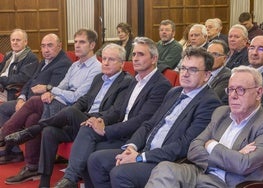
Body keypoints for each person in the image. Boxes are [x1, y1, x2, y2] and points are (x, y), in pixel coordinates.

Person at [8, 37, 172, 187]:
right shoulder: (119, 79)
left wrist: (100, 123)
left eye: (141, 54)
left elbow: (136, 118)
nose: (135, 58)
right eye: (134, 54)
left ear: (154, 59)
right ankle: (44, 183)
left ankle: (67, 174)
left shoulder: (132, 81)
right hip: (91, 120)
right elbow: (86, 101)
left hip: (122, 131)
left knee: (74, 118)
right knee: (50, 130)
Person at [87, 47, 222, 188]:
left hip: (167, 162)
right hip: (144, 150)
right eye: (183, 68)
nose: (185, 74)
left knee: (120, 173)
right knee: (96, 160)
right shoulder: (174, 92)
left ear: (206, 75)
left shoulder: (209, 102)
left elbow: (184, 145)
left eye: (193, 70)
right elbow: (149, 124)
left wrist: (140, 158)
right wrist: (131, 147)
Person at [0, 28, 102, 184]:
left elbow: (77, 97)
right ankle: (31, 166)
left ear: (92, 45)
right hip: (58, 103)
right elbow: (62, 85)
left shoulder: (96, 68)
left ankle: (4, 135)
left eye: (82, 42)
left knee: (34, 101)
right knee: (33, 117)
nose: (77, 45)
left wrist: (50, 90)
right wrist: (52, 93)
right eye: (75, 42)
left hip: (73, 111)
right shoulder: (75, 66)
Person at [146, 66, 263, 188]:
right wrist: (234, 156)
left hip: (226, 183)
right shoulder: (221, 112)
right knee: (165, 168)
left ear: (258, 93)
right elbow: (193, 149)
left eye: (241, 90)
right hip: (200, 172)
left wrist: (211, 145)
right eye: (230, 89)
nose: (233, 96)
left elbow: (244, 165)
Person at [0, 33, 71, 162]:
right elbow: (30, 82)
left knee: (31, 117)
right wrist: (22, 98)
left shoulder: (63, 63)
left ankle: (4, 135)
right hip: (28, 100)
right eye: (43, 46)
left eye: (50, 46)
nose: (45, 50)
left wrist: (26, 103)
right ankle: (13, 151)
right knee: (4, 108)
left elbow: (51, 89)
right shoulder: (44, 61)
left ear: (59, 45)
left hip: (46, 104)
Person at [0, 29, 39, 101]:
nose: (15, 42)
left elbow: (22, 78)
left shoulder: (31, 58)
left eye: (18, 40)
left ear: (25, 42)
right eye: (13, 40)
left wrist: (2, 80)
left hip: (11, 92)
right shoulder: (9, 55)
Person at [207, 40, 231, 104]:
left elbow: (211, 99)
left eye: (215, 54)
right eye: (208, 54)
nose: (210, 57)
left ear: (225, 59)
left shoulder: (227, 77)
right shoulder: (201, 72)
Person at [248, 35, 263, 104]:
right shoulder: (241, 71)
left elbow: (262, 105)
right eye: (252, 48)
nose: (254, 53)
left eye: (261, 49)